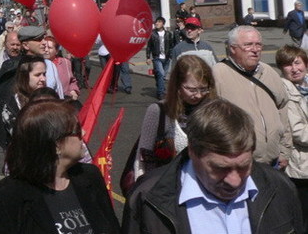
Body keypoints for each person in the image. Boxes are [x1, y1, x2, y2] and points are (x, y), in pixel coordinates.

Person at [122, 98, 302, 234]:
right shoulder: (147, 198)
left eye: (244, 166)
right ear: (192, 151)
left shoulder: (280, 187)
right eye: (220, 168)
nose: (234, 181)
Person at [0, 101, 120, 234]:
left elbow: (112, 227)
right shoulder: (6, 197)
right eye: (77, 130)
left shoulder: (89, 176)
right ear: (56, 146)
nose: (83, 133)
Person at [213, 25, 291, 167]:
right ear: (232, 48)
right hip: (238, 164)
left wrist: (285, 150)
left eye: (258, 45)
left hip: (274, 162)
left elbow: (283, 108)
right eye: (248, 45)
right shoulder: (218, 74)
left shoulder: (268, 71)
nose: (255, 50)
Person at [134, 55, 217, 181]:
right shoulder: (158, 111)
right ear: (178, 85)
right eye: (192, 89)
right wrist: (140, 186)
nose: (198, 95)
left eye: (203, 89)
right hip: (163, 188)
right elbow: (142, 158)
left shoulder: (215, 110)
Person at [275, 44, 308, 229]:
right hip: (301, 167)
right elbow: (297, 132)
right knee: (302, 218)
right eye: (288, 65)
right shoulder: (284, 91)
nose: (294, 69)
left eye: (298, 63)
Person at [0, 55, 48, 143]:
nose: (43, 79)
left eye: (44, 74)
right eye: (37, 75)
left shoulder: (49, 98)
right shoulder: (12, 105)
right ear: (25, 76)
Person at [146, 16, 177, 100]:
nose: (156, 23)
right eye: (156, 22)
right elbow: (149, 46)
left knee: (162, 76)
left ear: (163, 24)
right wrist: (148, 57)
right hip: (157, 57)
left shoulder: (168, 34)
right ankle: (161, 93)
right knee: (161, 73)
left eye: (159, 22)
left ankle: (160, 88)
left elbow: (172, 46)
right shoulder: (152, 34)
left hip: (167, 58)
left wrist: (171, 55)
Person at [42, 36, 79, 101]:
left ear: (56, 51)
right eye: (44, 47)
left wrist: (73, 90)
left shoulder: (65, 62)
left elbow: (72, 80)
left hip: (66, 101)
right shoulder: (38, 64)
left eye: (49, 47)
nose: (46, 50)